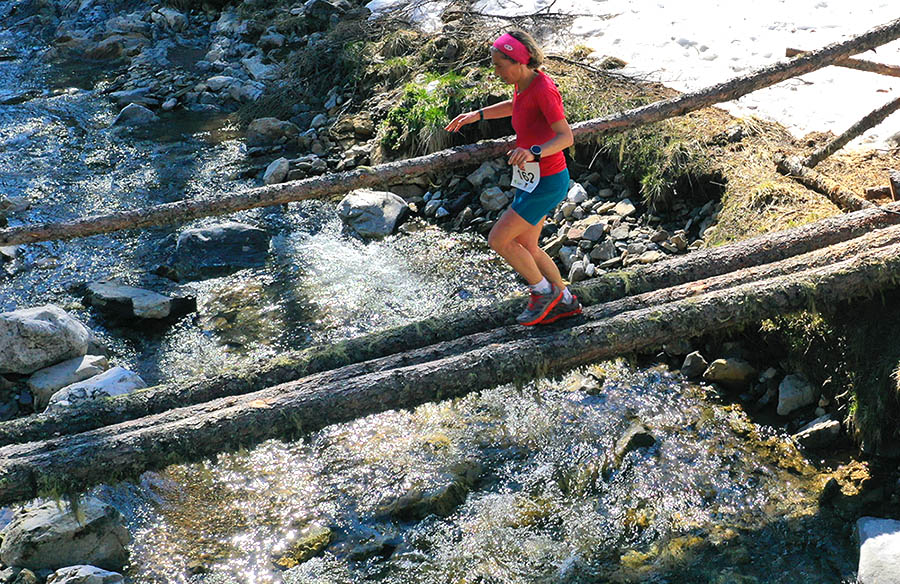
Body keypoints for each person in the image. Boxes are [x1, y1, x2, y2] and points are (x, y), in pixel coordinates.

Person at [445, 30, 581, 326]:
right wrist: (476, 115)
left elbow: (565, 136)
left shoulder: (544, 89)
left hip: (547, 181)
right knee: (527, 245)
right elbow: (515, 107)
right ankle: (567, 300)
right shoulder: (524, 83)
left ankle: (543, 293)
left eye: (499, 66)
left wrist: (533, 151)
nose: (496, 72)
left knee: (499, 239)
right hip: (531, 179)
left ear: (519, 62)